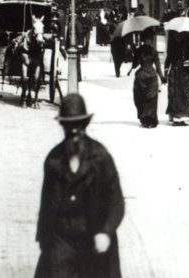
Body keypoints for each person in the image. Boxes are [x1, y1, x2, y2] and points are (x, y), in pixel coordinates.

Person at [35, 93, 124, 278]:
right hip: (62, 242)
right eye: (69, 125)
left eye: (77, 125)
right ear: (62, 126)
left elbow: (116, 202)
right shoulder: (53, 160)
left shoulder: (101, 158)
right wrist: (45, 241)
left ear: (85, 125)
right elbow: (46, 204)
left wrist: (106, 232)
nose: (74, 131)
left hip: (93, 240)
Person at [130, 32, 165, 127]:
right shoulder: (148, 51)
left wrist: (162, 77)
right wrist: (135, 54)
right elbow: (134, 65)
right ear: (143, 40)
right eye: (147, 40)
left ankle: (150, 119)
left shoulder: (150, 51)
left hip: (148, 77)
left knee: (151, 99)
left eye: (149, 40)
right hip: (144, 77)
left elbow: (158, 66)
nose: (148, 42)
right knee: (141, 98)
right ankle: (146, 119)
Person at [164, 29, 189, 126]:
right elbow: (168, 60)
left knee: (186, 94)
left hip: (187, 74)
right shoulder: (172, 47)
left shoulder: (188, 46)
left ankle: (184, 116)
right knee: (174, 94)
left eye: (180, 35)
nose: (177, 37)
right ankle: (175, 117)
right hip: (175, 73)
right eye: (175, 35)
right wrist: (165, 74)